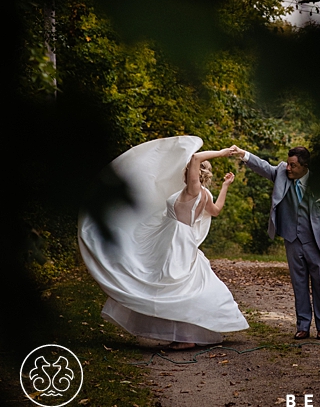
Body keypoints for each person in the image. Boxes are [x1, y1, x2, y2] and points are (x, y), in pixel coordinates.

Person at [78, 135, 248, 350]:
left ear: (193, 172)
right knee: (176, 284)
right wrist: (225, 186)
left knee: (170, 284)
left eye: (187, 169)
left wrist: (223, 152)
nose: (185, 171)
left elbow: (195, 157)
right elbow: (215, 211)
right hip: (177, 237)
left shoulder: (193, 190)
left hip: (176, 239)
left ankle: (185, 338)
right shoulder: (204, 194)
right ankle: (183, 334)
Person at [230, 145, 320, 340]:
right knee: (299, 284)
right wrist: (243, 155)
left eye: (293, 165)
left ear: (304, 166)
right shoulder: (281, 172)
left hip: (316, 241)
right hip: (292, 239)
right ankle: (303, 326)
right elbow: (263, 167)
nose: (288, 168)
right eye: (288, 164)